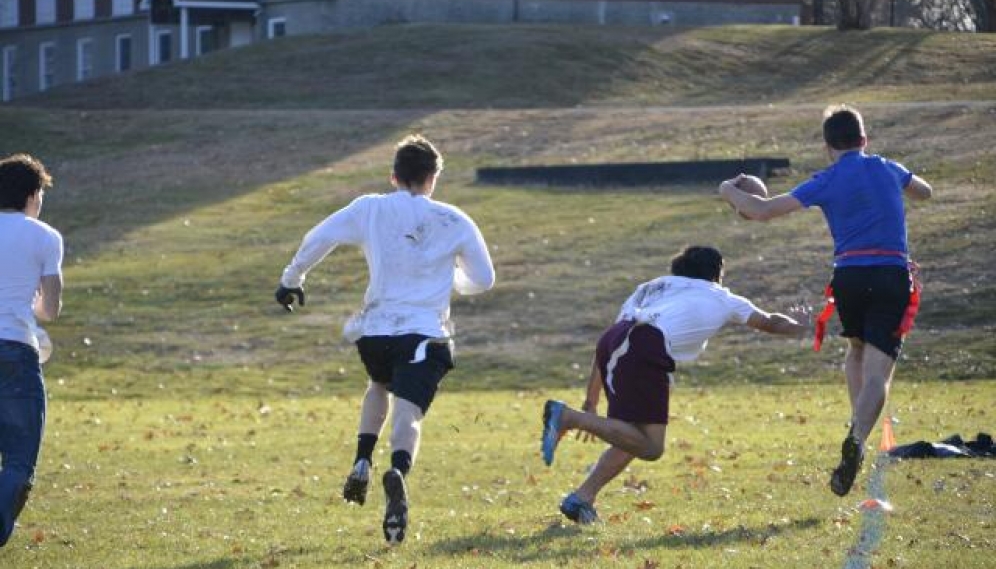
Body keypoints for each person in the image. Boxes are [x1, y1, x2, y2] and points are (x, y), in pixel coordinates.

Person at [274, 134, 495, 544]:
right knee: (408, 412)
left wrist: (292, 279)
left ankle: (361, 459)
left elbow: (318, 237)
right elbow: (484, 279)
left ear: (394, 176)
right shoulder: (454, 220)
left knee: (379, 384)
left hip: (374, 331)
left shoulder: (369, 208)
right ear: (432, 178)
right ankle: (397, 470)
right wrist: (452, 283)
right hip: (424, 333)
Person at [718, 104, 933, 497]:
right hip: (890, 273)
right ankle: (856, 436)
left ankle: (857, 434)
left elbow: (762, 211)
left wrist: (728, 190)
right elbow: (925, 192)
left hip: (848, 275)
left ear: (826, 147)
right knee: (879, 371)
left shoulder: (827, 179)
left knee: (855, 349)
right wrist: (903, 184)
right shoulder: (887, 167)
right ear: (864, 140)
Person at [541, 245, 807, 524]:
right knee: (651, 447)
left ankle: (582, 498)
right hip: (647, 348)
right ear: (717, 274)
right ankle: (568, 417)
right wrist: (801, 323)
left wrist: (591, 399)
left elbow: (612, 338)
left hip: (616, 343)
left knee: (633, 435)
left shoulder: (652, 287)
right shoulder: (720, 295)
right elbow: (771, 323)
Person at [0, 154, 63, 546]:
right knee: (19, 462)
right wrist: (33, 301)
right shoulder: (45, 236)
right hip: (17, 354)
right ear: (32, 194)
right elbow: (51, 310)